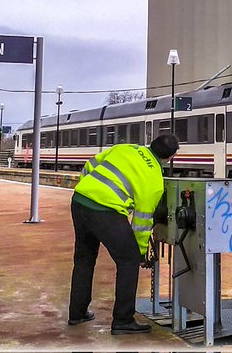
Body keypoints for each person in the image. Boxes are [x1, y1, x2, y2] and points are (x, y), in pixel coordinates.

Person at [69, 133, 179, 334]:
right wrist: (140, 253)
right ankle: (123, 320)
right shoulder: (154, 179)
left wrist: (89, 189)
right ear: (170, 157)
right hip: (105, 210)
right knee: (128, 261)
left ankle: (77, 313)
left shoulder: (127, 148)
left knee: (84, 259)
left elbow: (91, 164)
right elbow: (142, 221)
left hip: (80, 200)